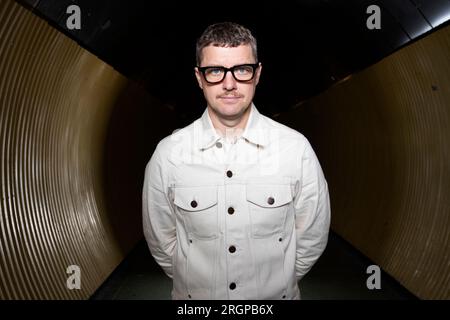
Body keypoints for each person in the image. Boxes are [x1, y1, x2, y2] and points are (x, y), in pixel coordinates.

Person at [142, 22, 331, 300]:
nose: (229, 84)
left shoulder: (295, 149)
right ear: (199, 77)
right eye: (215, 71)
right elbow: (162, 240)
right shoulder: (169, 155)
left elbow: (312, 235)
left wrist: (275, 283)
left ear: (257, 75)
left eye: (242, 70)